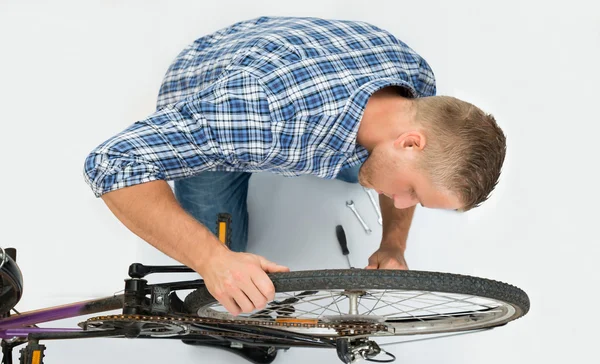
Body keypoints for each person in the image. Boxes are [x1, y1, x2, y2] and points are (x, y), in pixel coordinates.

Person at [83, 16, 506, 317]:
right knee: (217, 263)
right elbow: (112, 162)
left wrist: (394, 243)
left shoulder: (416, 87)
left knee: (377, 169)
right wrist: (212, 259)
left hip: (292, 76)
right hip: (216, 89)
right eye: (412, 191)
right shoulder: (259, 117)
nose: (398, 201)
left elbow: (403, 173)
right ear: (411, 142)